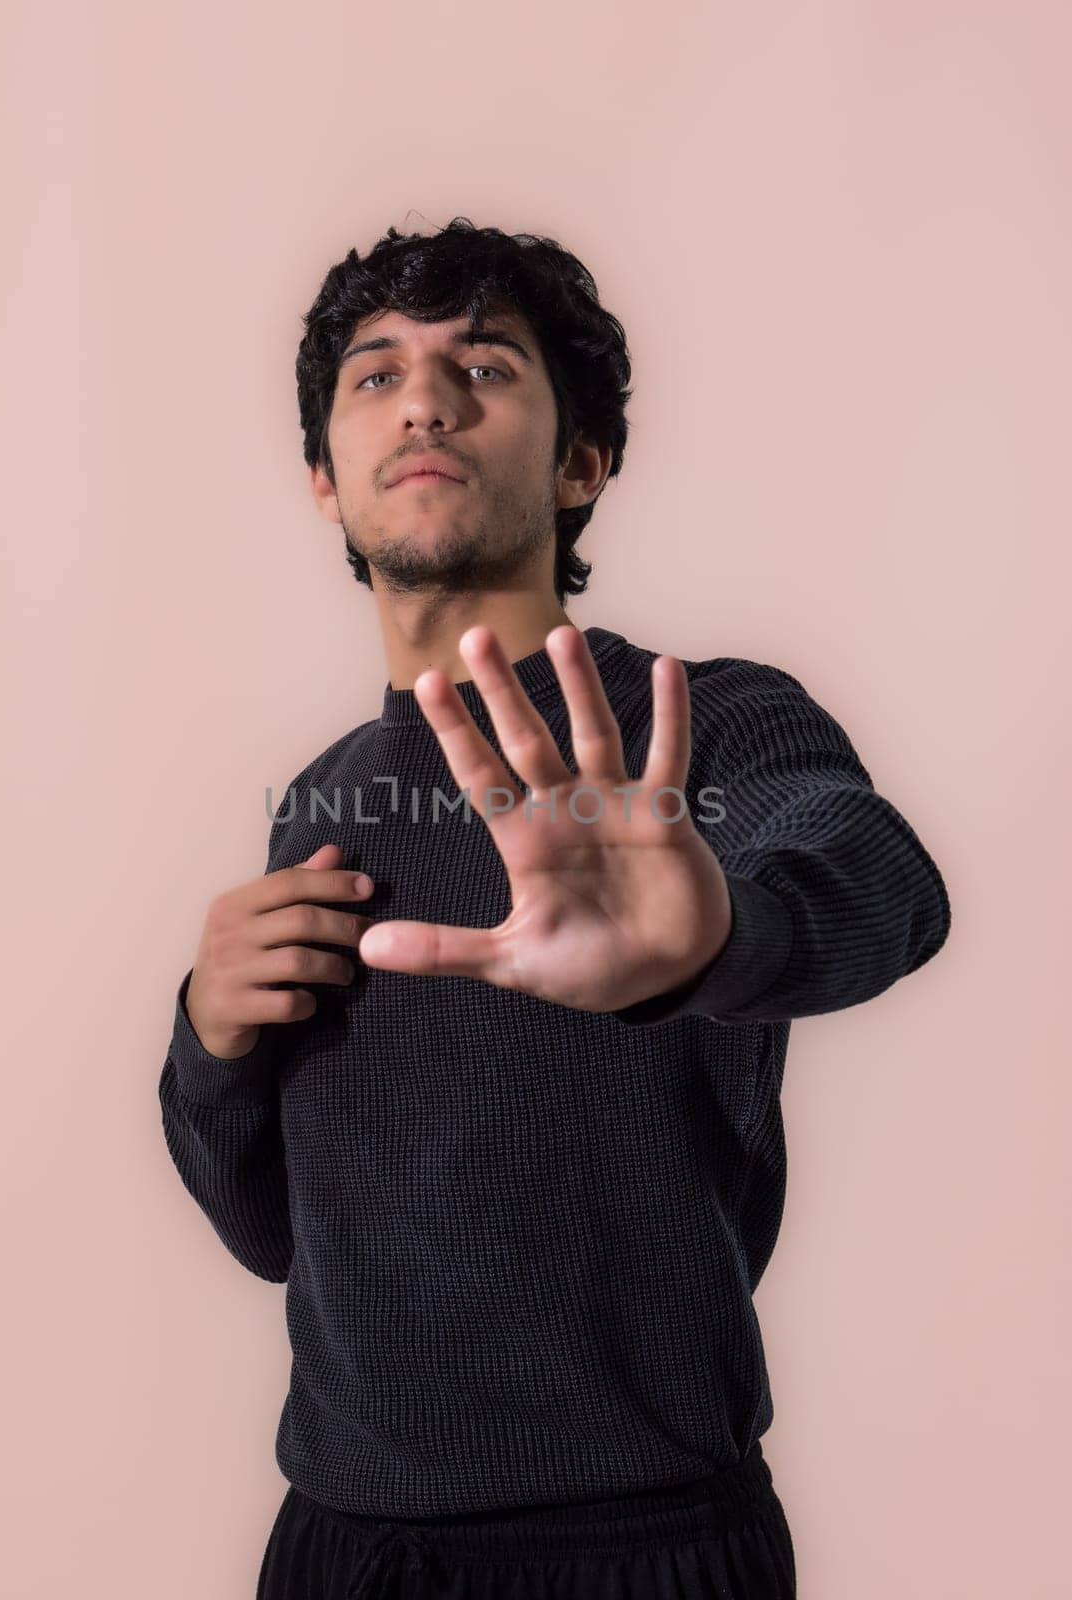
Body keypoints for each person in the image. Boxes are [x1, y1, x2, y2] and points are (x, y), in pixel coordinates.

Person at [158, 219, 951, 1598]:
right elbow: (274, 1235)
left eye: (487, 365)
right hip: (342, 1547)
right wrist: (204, 1038)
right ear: (324, 486)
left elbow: (880, 882)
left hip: (639, 1544)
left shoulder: (694, 726)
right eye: (376, 373)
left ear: (580, 463)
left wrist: (707, 940)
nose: (424, 398)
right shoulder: (315, 802)